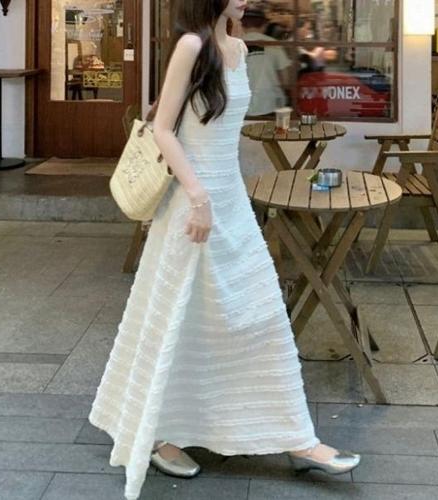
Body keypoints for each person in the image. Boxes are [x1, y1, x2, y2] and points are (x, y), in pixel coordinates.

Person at [88, 1, 361, 499]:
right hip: (193, 207)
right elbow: (163, 129)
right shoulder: (191, 46)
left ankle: (296, 438)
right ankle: (160, 434)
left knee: (256, 314)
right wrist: (197, 197)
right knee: (178, 317)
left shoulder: (237, 46)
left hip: (229, 199)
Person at [241, 8, 292, 115]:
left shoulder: (235, 45)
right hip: (271, 103)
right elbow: (286, 79)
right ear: (264, 25)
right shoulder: (273, 44)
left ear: (242, 24)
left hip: (243, 106)